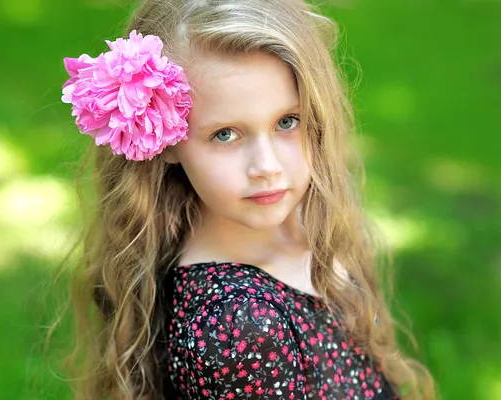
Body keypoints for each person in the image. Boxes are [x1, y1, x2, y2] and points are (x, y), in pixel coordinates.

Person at [56, 0, 435, 399]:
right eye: (225, 134)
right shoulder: (238, 324)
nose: (267, 166)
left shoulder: (308, 226)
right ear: (164, 137)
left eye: (287, 122)